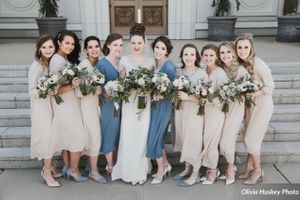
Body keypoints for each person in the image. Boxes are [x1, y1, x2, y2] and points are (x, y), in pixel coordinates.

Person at [112, 23, 155, 185]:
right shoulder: (124, 60)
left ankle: (140, 169)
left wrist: (147, 90)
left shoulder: (150, 61)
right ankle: (127, 170)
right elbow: (121, 83)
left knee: (142, 134)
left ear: (145, 43)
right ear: (130, 43)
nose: (136, 46)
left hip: (145, 104)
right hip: (129, 104)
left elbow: (153, 83)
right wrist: (128, 87)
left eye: (140, 43)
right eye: (134, 43)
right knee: (129, 134)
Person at [235, 34, 274, 185]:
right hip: (250, 106)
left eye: (246, 47)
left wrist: (254, 93)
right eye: (239, 47)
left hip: (262, 105)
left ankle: (258, 171)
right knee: (247, 137)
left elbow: (270, 87)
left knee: (252, 139)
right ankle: (247, 168)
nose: (242, 50)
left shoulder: (259, 64)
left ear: (251, 48)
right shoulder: (241, 65)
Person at [49, 30, 87, 182]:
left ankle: (66, 167)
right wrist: (72, 86)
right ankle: (74, 170)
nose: (70, 46)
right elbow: (55, 89)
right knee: (78, 138)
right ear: (59, 42)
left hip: (70, 104)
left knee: (68, 138)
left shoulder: (63, 58)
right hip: (66, 105)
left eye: (73, 44)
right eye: (67, 43)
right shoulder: (58, 60)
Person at [173, 44, 208, 187]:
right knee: (183, 139)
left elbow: (205, 98)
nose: (188, 57)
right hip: (180, 111)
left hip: (194, 112)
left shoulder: (202, 73)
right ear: (181, 56)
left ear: (196, 57)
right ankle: (187, 168)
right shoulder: (178, 72)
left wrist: (189, 97)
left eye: (192, 54)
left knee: (193, 141)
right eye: (185, 54)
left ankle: (195, 173)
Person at [29, 34, 60, 187]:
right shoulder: (37, 66)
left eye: (50, 46)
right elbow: (32, 92)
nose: (48, 50)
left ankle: (51, 166)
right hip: (42, 108)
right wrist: (46, 90)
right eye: (44, 47)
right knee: (47, 138)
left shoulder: (50, 63)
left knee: (52, 136)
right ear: (39, 49)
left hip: (51, 105)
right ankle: (46, 172)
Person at [77, 36, 107, 184]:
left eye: (96, 46)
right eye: (90, 47)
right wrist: (91, 91)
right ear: (85, 50)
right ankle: (94, 172)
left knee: (97, 135)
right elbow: (77, 91)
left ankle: (90, 165)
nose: (94, 49)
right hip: (88, 105)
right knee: (94, 136)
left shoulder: (101, 63)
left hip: (100, 105)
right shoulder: (83, 65)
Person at [217, 41, 249, 185]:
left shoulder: (241, 70)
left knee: (226, 142)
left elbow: (246, 91)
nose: (225, 55)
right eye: (222, 52)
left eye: (228, 52)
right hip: (221, 109)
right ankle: (231, 166)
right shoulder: (219, 68)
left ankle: (230, 168)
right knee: (221, 140)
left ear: (234, 53)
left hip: (236, 109)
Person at [146, 36, 176, 184]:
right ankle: (165, 164)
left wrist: (160, 94)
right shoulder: (155, 65)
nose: (159, 51)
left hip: (162, 107)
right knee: (158, 137)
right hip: (154, 107)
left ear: (167, 51)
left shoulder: (169, 66)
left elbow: (173, 89)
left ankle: (160, 170)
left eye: (163, 48)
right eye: (157, 47)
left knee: (155, 138)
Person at [200, 44, 228, 185]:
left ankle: (213, 170)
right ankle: (208, 169)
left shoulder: (220, 73)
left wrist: (210, 101)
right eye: (205, 55)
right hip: (203, 112)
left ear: (216, 56)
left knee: (211, 141)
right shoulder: (203, 71)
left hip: (215, 112)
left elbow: (225, 96)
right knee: (206, 140)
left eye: (211, 55)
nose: (208, 58)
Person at [96, 33, 123, 175]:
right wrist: (109, 93)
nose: (118, 48)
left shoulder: (121, 62)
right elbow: (98, 88)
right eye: (115, 45)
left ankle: (118, 162)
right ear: (108, 45)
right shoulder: (102, 64)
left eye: (120, 45)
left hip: (122, 104)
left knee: (119, 133)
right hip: (108, 105)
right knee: (110, 132)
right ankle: (110, 165)